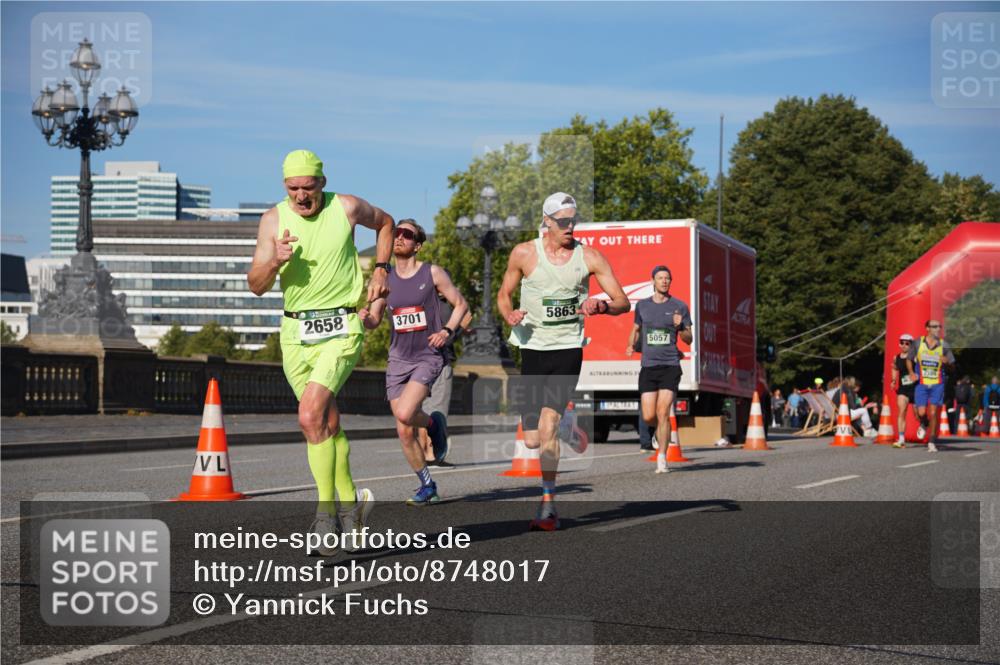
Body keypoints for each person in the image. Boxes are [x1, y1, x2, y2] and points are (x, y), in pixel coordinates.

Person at [247, 149, 393, 555]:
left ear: (321, 184)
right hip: (295, 331)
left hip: (342, 325)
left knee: (309, 416)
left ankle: (325, 518)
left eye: (307, 188)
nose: (300, 197)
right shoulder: (273, 220)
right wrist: (275, 261)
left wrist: (382, 269)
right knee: (326, 424)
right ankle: (352, 510)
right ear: (284, 187)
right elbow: (256, 285)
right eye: (293, 188)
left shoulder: (345, 207)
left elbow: (386, 224)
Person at [498, 192, 629, 530]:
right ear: (547, 222)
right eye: (563, 221)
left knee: (546, 429)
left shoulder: (589, 257)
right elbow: (503, 294)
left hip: (568, 349)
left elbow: (622, 302)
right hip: (532, 349)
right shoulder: (525, 253)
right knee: (530, 439)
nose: (570, 226)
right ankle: (570, 425)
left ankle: (548, 505)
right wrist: (509, 313)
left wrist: (600, 306)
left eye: (573, 220)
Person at [359, 220, 469, 505]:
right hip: (398, 358)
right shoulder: (385, 278)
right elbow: (374, 320)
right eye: (396, 233)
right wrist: (364, 318)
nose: (399, 238)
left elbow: (461, 305)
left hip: (427, 355)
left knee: (407, 413)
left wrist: (446, 331)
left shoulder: (431, 272)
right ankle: (427, 485)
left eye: (406, 234)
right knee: (403, 428)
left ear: (417, 244)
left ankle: (432, 425)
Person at [626, 265, 693, 474]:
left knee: (663, 411)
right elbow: (635, 329)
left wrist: (681, 326)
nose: (664, 281)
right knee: (648, 416)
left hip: (670, 365)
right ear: (653, 281)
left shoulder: (679, 307)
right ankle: (658, 432)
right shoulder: (643, 306)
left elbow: (689, 339)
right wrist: (631, 344)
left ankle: (662, 458)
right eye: (660, 278)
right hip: (648, 366)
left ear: (670, 282)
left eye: (667, 278)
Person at [906, 319, 956, 452]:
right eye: (933, 326)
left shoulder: (944, 345)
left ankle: (932, 441)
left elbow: (953, 367)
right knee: (921, 412)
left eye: (938, 327)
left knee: (933, 413)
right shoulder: (918, 342)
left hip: (937, 384)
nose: (936, 329)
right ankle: (924, 422)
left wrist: (947, 362)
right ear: (927, 328)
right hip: (921, 384)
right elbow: (909, 359)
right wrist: (911, 372)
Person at [890, 333, 917, 447]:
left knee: (918, 414)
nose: (904, 345)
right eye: (902, 343)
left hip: (916, 388)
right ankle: (901, 439)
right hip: (903, 388)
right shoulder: (896, 357)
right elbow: (894, 368)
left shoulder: (915, 356)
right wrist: (893, 380)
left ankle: (923, 424)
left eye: (907, 343)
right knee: (902, 411)